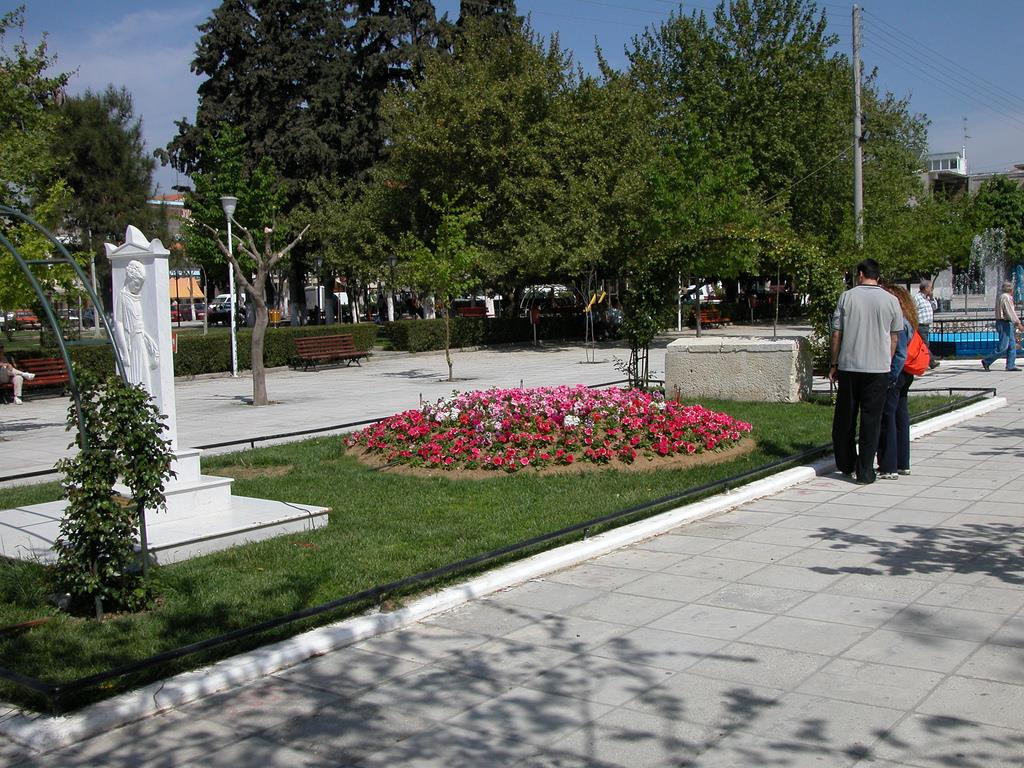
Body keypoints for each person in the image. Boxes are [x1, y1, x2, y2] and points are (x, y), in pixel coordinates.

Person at [830, 259, 903, 484]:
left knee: (845, 417)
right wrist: (887, 360)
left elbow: (837, 332)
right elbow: (894, 337)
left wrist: (834, 363)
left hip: (849, 366)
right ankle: (865, 471)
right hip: (878, 368)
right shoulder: (892, 300)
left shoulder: (847, 297)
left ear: (860, 274)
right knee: (871, 420)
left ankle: (846, 463)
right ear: (877, 277)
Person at [878, 284, 917, 479]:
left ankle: (888, 466)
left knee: (888, 417)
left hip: (896, 373)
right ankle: (903, 463)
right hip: (906, 373)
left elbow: (900, 354)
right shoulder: (908, 320)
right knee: (901, 417)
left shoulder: (898, 321)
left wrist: (890, 377)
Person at [981, 280, 1023, 372]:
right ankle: (987, 361)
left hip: (1005, 322)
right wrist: (1018, 323)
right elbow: (1010, 312)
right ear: (1011, 289)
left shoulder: (1002, 296)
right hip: (1004, 322)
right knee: (1003, 346)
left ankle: (1010, 365)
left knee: (1011, 345)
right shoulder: (1006, 297)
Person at [913, 278, 940, 370]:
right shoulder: (917, 298)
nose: (932, 289)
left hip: (926, 325)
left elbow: (935, 307)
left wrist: (932, 298)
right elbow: (912, 309)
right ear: (925, 288)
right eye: (930, 287)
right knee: (925, 344)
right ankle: (931, 362)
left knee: (923, 345)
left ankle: (921, 361)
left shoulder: (928, 298)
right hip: (920, 325)